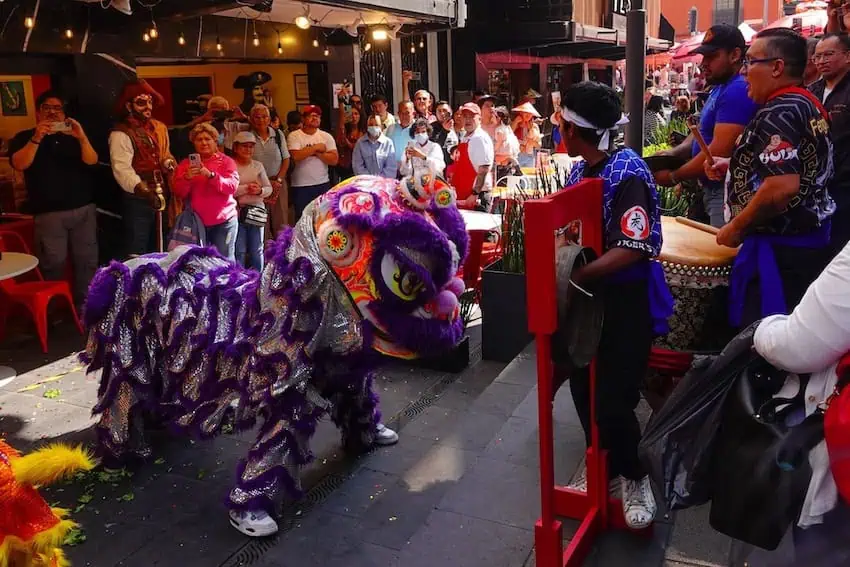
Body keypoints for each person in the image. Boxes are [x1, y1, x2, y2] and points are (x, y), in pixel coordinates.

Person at [558, 81, 671, 530]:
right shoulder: (577, 172)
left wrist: (576, 274)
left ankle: (634, 474)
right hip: (587, 301)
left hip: (624, 301)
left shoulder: (627, 171)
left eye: (563, 126)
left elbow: (634, 246)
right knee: (582, 389)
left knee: (613, 400)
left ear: (574, 131)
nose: (559, 133)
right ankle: (602, 458)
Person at [705, 28, 835, 329]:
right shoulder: (807, 102)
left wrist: (736, 226)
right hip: (804, 241)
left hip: (781, 251)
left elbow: (781, 187)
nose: (745, 71)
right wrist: (737, 164)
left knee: (764, 340)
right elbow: (801, 166)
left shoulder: (779, 111)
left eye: (751, 62)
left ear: (776, 67)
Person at [655, 24, 759, 228]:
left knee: (719, 254)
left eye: (711, 57)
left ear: (735, 55)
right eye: (704, 57)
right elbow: (700, 134)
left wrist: (675, 175)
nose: (704, 64)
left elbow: (718, 149)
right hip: (711, 189)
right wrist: (672, 154)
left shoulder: (737, 89)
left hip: (725, 191)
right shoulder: (720, 88)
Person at [8, 90, 98, 307]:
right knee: (53, 263)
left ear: (64, 113)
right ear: (39, 112)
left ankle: (86, 306)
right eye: (47, 108)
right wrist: (37, 137)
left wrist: (82, 137)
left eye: (57, 108)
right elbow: (19, 163)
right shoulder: (24, 137)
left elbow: (92, 161)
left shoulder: (74, 136)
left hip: (83, 209)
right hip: (48, 213)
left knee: (87, 261)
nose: (52, 112)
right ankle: (56, 309)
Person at [109, 79, 178, 257]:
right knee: (137, 247)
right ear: (129, 106)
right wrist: (145, 192)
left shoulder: (159, 127)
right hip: (138, 198)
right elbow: (122, 169)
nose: (147, 107)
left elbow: (166, 154)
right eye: (141, 102)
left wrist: (168, 163)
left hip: (162, 192)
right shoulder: (121, 133)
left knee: (160, 244)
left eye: (149, 102)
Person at [172, 123, 240, 260]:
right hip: (196, 224)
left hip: (224, 221)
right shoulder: (185, 164)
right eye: (199, 139)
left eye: (207, 139)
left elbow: (232, 187)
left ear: (215, 141)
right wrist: (187, 178)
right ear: (194, 143)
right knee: (199, 262)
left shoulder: (226, 162)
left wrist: (211, 176)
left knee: (224, 262)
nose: (203, 143)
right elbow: (179, 192)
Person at [810, 33, 850, 255]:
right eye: (817, 57)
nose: (821, 61)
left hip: (844, 183)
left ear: (847, 56)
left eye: (828, 55)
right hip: (818, 186)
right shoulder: (811, 91)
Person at [287, 105, 339, 221]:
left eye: (318, 116)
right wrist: (317, 147)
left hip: (322, 184)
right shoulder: (294, 136)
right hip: (301, 186)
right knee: (303, 220)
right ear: (303, 118)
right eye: (311, 115)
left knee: (323, 219)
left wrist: (317, 154)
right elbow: (296, 156)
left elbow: (334, 160)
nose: (315, 118)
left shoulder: (326, 136)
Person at [247, 104, 290, 238]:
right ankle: (263, 256)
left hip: (278, 183)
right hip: (256, 186)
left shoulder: (278, 134)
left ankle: (282, 254)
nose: (261, 120)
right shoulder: (247, 136)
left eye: (264, 117)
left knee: (281, 222)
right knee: (259, 225)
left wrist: (278, 180)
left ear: (269, 118)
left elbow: (286, 159)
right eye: (257, 117)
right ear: (251, 119)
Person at [232, 131, 272, 271]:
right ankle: (239, 280)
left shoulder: (258, 166)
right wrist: (247, 188)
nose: (248, 150)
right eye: (244, 146)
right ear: (236, 148)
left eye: (251, 146)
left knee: (257, 250)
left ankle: (258, 281)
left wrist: (260, 191)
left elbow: (269, 189)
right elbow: (229, 189)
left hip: (256, 212)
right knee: (239, 250)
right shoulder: (231, 165)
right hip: (237, 212)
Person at [452, 102, 494, 211]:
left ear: (479, 119)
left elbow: (484, 168)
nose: (468, 120)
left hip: (476, 197)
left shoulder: (479, 138)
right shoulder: (466, 137)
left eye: (472, 117)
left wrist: (475, 193)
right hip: (463, 196)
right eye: (465, 116)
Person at [352, 114, 397, 178]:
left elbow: (391, 167)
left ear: (381, 127)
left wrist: (379, 181)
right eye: (371, 125)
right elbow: (357, 166)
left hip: (384, 184)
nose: (373, 127)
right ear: (367, 127)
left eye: (376, 125)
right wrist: (370, 180)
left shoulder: (388, 143)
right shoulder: (360, 143)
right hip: (365, 184)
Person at [493, 106, 521, 181]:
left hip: (503, 153)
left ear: (499, 118)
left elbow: (498, 144)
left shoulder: (500, 130)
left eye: (494, 116)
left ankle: (512, 160)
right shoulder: (507, 128)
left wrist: (492, 151)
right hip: (507, 155)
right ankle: (513, 161)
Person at [336, 106, 363, 180]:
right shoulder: (344, 130)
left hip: (360, 168)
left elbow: (357, 148)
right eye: (351, 114)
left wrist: (348, 143)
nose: (354, 116)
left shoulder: (364, 131)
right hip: (345, 167)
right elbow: (340, 142)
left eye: (356, 114)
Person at [387, 101, 415, 172]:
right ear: (398, 114)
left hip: (412, 171)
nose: (404, 116)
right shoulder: (391, 128)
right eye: (401, 113)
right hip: (393, 171)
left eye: (407, 113)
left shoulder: (418, 129)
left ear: (413, 114)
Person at [512, 102, 542, 168]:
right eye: (525, 112)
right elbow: (509, 135)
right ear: (520, 113)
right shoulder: (515, 124)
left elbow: (539, 145)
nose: (528, 115)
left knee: (528, 177)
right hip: (517, 155)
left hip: (530, 156)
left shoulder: (534, 126)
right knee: (517, 176)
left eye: (530, 113)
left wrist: (533, 142)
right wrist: (516, 122)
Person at [431, 100, 459, 165]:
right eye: (439, 111)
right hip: (441, 167)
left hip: (456, 165)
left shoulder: (456, 125)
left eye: (444, 110)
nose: (442, 113)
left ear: (450, 112)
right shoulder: (431, 128)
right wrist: (444, 130)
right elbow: (434, 147)